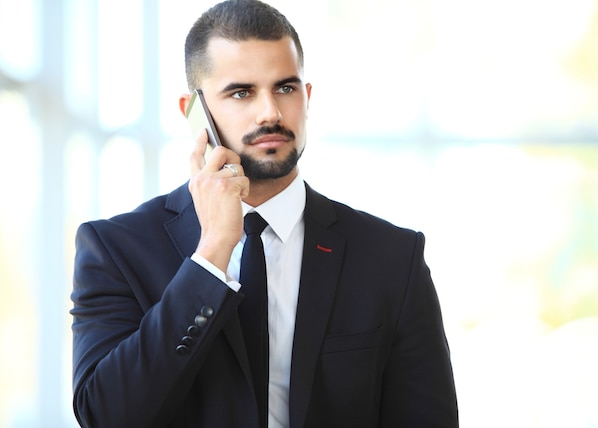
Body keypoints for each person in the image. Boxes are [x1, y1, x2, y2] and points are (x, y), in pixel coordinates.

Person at [70, 0, 458, 427]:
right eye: (242, 92)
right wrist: (212, 254)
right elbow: (105, 416)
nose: (270, 112)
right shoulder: (116, 250)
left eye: (286, 88)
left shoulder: (392, 258)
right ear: (193, 112)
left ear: (306, 98)